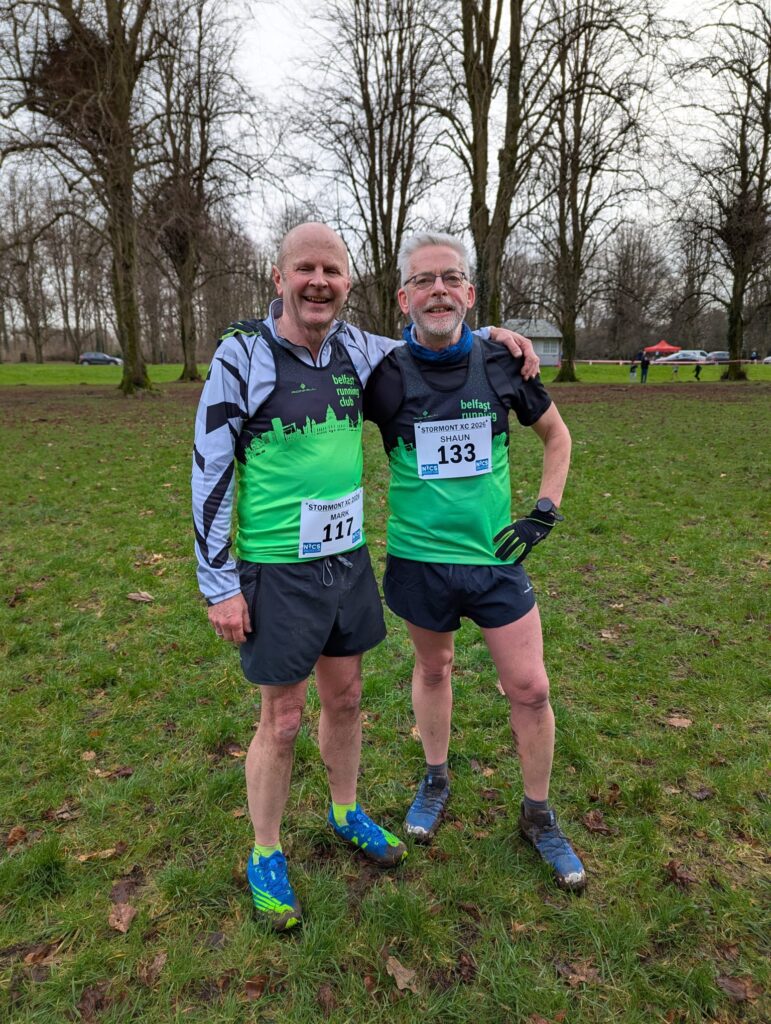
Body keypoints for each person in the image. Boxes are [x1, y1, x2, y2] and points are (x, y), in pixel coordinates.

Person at [191, 222, 539, 930]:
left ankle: (345, 811)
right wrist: (219, 582)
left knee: (346, 699)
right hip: (276, 569)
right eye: (305, 268)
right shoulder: (242, 355)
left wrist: (494, 335)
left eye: (332, 270)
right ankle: (265, 852)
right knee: (282, 719)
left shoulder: (359, 349)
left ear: (349, 283)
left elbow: (435, 334)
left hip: (345, 561)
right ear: (278, 278)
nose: (318, 281)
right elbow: (210, 468)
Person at [364, 231, 586, 892]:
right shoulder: (383, 374)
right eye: (423, 280)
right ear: (402, 297)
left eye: (450, 278)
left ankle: (538, 816)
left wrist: (544, 510)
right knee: (434, 668)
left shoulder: (501, 361)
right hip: (417, 559)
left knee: (531, 688)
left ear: (469, 292)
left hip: (494, 560)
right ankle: (435, 779)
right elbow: (315, 374)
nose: (438, 290)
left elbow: (556, 437)